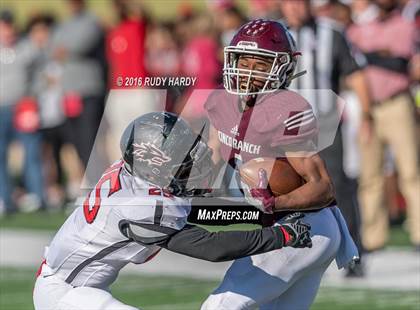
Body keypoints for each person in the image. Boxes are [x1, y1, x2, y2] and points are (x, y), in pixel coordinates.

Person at [33, 112, 313, 310]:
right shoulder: (139, 205)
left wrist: (262, 216)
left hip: (81, 288)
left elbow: (198, 214)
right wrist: (281, 237)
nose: (191, 161)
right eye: (181, 157)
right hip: (62, 291)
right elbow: (210, 246)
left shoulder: (140, 178)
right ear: (154, 164)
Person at [200, 19, 358, 309]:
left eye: (260, 66)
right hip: (283, 226)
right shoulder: (218, 101)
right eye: (243, 61)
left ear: (282, 68)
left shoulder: (287, 109)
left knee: (219, 305)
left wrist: (275, 203)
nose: (248, 73)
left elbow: (322, 187)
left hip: (305, 225)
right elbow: (212, 152)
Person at [280, 0, 373, 276]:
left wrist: (367, 115)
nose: (295, 8)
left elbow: (354, 73)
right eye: (289, 3)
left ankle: (353, 253)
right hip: (285, 126)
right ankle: (291, 251)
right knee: (284, 188)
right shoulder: (276, 32)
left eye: (299, 3)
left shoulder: (331, 32)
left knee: (338, 187)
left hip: (325, 123)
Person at [347, 0, 420, 251]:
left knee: (410, 172)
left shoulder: (405, 25)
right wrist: (378, 55)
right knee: (370, 176)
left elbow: (403, 64)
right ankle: (373, 237)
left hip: (397, 103)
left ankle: (419, 233)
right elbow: (352, 63)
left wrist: (368, 56)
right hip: (369, 109)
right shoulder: (359, 29)